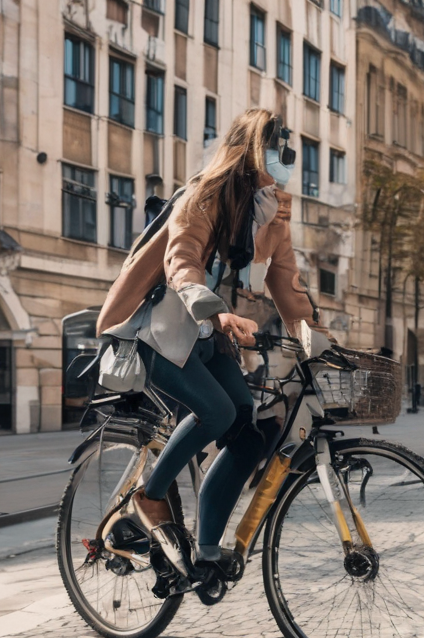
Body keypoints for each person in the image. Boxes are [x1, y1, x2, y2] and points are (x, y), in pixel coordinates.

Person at [96, 108, 329, 577]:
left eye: (288, 153)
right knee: (218, 412)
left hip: (207, 338)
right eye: (276, 149)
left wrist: (323, 346)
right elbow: (181, 260)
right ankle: (148, 497)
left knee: (247, 433)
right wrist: (215, 310)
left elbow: (288, 288)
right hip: (159, 331)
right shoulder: (204, 195)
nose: (284, 161)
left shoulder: (270, 215)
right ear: (251, 150)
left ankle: (206, 553)